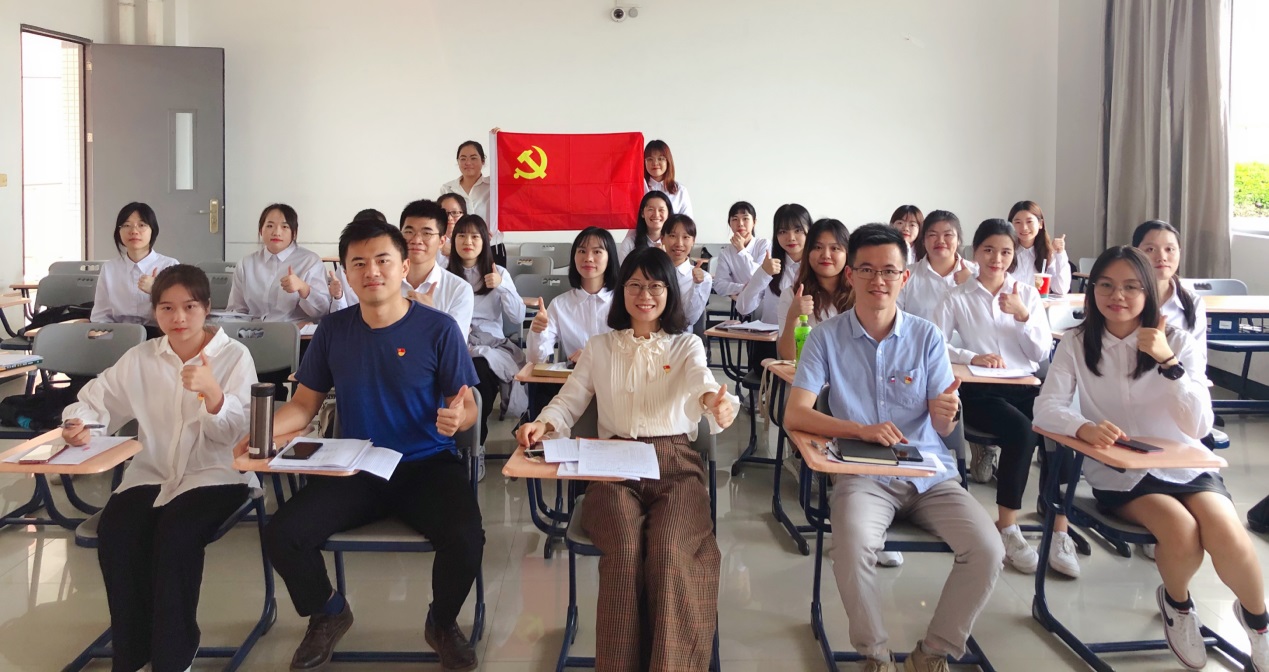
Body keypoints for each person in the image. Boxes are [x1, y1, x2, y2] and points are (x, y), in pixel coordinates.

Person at [259, 219, 484, 672]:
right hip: (356, 465)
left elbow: (468, 404)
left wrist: (461, 417)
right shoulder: (333, 330)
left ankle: (442, 622)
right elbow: (302, 406)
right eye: (358, 263)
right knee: (282, 533)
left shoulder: (439, 329)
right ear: (345, 272)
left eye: (383, 260)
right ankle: (328, 611)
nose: (372, 271)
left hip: (426, 464)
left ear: (404, 266)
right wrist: (257, 433)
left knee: (466, 537)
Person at [1034, 246, 1268, 672]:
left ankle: (1259, 626)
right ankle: (1178, 605)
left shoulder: (1176, 340)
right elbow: (1046, 408)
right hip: (1120, 471)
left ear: (1149, 292)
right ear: (1092, 290)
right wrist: (1083, 427)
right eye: (1106, 285)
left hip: (1183, 464)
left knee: (1228, 534)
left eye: (1131, 287)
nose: (1117, 296)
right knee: (1180, 531)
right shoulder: (1076, 343)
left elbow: (1199, 424)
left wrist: (1169, 363)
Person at [783, 223, 1005, 672]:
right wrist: (859, 430)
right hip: (861, 475)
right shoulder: (826, 337)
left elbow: (942, 423)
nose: (878, 280)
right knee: (852, 548)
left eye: (889, 271)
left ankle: (933, 651)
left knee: (988, 549)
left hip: (928, 474)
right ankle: (876, 655)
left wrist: (946, 413)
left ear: (905, 277)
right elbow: (796, 415)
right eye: (866, 269)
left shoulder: (927, 337)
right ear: (851, 275)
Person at [516, 247, 736, 672]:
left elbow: (702, 382)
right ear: (622, 292)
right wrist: (543, 424)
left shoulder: (686, 344)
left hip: (676, 464)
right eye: (634, 285)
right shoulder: (600, 347)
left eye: (655, 286)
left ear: (670, 292)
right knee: (624, 549)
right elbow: (569, 401)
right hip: (612, 464)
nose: (645, 295)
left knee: (670, 552)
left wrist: (715, 402)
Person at [63, 264, 258, 672]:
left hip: (216, 474)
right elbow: (97, 400)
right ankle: (132, 654)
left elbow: (235, 437)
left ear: (207, 307)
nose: (178, 317)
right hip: (151, 472)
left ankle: (173, 656)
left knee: (176, 536)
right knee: (118, 532)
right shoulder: (142, 357)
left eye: (190, 306)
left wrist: (214, 395)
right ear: (155, 312)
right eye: (167, 308)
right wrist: (79, 424)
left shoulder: (234, 356)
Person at [933, 219, 1080, 578]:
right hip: (979, 389)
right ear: (975, 252)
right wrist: (973, 357)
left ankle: (1060, 528)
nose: (996, 259)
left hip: (1024, 385)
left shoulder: (1026, 294)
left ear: (1014, 255)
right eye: (988, 250)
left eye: (1005, 252)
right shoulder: (956, 296)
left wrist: (1023, 316)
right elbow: (937, 345)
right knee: (1023, 432)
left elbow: (1040, 352)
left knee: (1066, 430)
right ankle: (1008, 525)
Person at [329, 201, 475, 341]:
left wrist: (431, 317)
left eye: (426, 233)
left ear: (442, 241)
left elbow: (455, 347)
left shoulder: (459, 290)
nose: (416, 240)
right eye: (409, 232)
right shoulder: (382, 281)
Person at [450, 213, 527, 461]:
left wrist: (501, 285)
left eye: (475, 236)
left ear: (485, 241)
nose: (468, 241)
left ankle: (476, 446)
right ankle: (452, 445)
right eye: (462, 235)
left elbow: (518, 316)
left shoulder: (498, 272)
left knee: (480, 374)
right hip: (454, 342)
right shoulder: (444, 274)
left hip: (489, 345)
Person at [525, 227, 618, 365]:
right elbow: (535, 360)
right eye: (582, 251)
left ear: (610, 258)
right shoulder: (559, 304)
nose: (588, 258)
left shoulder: (623, 301)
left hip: (615, 374)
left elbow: (634, 351)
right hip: (573, 376)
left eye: (597, 252)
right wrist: (537, 333)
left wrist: (591, 355)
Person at [227, 203, 331, 321]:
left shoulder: (310, 262)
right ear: (261, 230)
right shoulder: (246, 264)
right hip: (253, 330)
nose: (276, 232)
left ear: (294, 233)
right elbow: (236, 310)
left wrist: (303, 288)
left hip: (294, 331)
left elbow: (323, 311)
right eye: (270, 226)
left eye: (284, 227)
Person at [736, 204, 810, 366]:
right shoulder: (769, 267)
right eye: (783, 231)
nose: (791, 237)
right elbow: (743, 308)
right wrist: (762, 274)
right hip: (771, 346)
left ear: (809, 230)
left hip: (809, 345)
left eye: (798, 230)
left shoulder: (818, 268)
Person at [91, 202, 180, 328]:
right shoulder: (110, 268)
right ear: (118, 231)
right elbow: (101, 316)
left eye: (142, 225)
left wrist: (156, 290)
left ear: (152, 230)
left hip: (159, 332)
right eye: (127, 225)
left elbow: (179, 311)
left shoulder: (170, 265)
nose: (134, 231)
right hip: (119, 333)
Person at [776, 218, 852, 361]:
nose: (826, 255)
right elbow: (788, 356)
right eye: (817, 247)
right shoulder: (792, 295)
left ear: (847, 254)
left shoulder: (861, 295)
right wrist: (793, 316)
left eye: (835, 248)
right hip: (811, 373)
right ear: (808, 252)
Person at [897, 210, 976, 323]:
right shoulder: (906, 275)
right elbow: (895, 316)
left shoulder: (976, 273)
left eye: (948, 235)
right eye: (933, 235)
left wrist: (973, 284)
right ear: (923, 240)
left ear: (958, 240)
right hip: (918, 335)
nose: (941, 241)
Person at [441, 139, 504, 266]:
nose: (468, 163)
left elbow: (516, 172)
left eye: (473, 158)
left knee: (494, 278)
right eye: (463, 158)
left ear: (483, 161)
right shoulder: (448, 188)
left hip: (492, 247)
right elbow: (443, 220)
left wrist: (501, 140)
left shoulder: (495, 185)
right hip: (460, 248)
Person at [1008, 200, 1070, 296]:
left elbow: (1061, 289)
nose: (1024, 227)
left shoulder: (1048, 254)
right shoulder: (1004, 253)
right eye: (1018, 222)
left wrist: (1060, 254)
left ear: (1040, 224)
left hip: (1038, 304)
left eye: (1029, 221)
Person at [662, 213, 712, 329]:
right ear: (662, 238)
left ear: (693, 241)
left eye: (686, 237)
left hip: (681, 336)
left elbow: (690, 318)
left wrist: (696, 285)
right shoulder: (651, 272)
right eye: (672, 236)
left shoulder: (704, 278)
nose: (679, 243)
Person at [713, 201, 770, 299]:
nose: (740, 223)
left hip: (765, 301)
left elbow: (760, 276)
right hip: (741, 302)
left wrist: (741, 250)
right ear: (730, 224)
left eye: (745, 218)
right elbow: (719, 285)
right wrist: (742, 288)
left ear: (754, 222)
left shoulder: (764, 244)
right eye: (735, 219)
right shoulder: (725, 253)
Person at [618, 190, 674, 264]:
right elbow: (624, 270)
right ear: (642, 213)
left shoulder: (674, 244)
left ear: (668, 214)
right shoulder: (629, 244)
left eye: (661, 210)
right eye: (651, 209)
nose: (656, 214)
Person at [643, 139, 692, 216]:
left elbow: (687, 221)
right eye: (650, 159)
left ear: (668, 161)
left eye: (660, 159)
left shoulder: (680, 190)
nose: (655, 163)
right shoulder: (637, 189)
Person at [438, 193, 467, 261]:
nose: (449, 218)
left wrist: (453, 252)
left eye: (455, 212)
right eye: (444, 213)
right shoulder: (431, 239)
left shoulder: (470, 240)